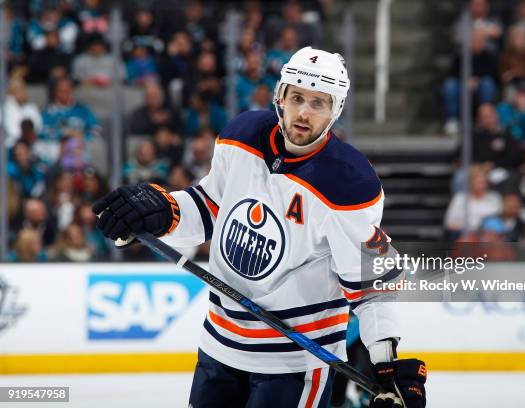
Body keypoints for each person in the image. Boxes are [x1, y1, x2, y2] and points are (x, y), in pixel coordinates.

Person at [93, 46, 426, 408]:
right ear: (279, 96)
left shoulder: (348, 183)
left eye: (318, 103)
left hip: (295, 364)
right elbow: (209, 210)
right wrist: (163, 212)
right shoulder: (242, 136)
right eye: (297, 97)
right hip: (218, 346)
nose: (303, 112)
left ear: (336, 110)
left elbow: (372, 286)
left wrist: (386, 364)